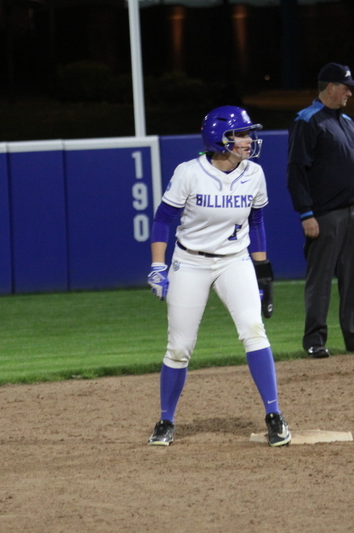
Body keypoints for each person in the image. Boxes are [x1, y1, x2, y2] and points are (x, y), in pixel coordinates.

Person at [145, 105, 292, 447]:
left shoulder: (254, 173)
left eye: (247, 133)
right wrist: (157, 265)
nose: (248, 140)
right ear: (219, 138)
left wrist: (263, 274)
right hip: (190, 261)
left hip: (234, 261)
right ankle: (166, 420)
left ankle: (274, 415)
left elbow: (256, 224)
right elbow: (163, 219)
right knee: (179, 347)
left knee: (254, 330)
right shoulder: (189, 172)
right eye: (240, 134)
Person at [286, 62, 354, 359]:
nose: (350, 93)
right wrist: (306, 213)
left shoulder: (347, 122)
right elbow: (296, 172)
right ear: (330, 87)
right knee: (319, 280)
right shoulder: (307, 121)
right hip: (325, 214)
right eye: (346, 87)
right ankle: (314, 340)